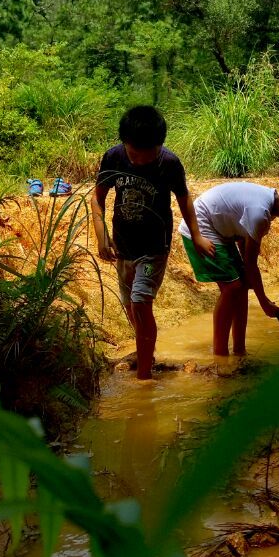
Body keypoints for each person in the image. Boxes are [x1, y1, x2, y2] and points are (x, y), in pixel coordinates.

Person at [91, 105, 215, 380]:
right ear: (125, 144)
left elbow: (184, 199)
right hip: (123, 246)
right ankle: (146, 349)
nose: (139, 161)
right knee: (130, 305)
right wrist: (101, 235)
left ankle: (144, 377)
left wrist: (196, 235)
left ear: (160, 146)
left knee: (140, 303)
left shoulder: (169, 163)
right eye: (134, 155)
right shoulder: (114, 157)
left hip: (154, 248)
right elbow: (97, 197)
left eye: (148, 156)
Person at [179, 179, 279, 358]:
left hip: (221, 229)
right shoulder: (260, 213)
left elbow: (245, 249)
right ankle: (220, 356)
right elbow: (251, 265)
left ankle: (239, 351)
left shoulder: (270, 203)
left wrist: (249, 278)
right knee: (232, 288)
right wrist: (264, 302)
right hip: (200, 228)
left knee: (242, 286)